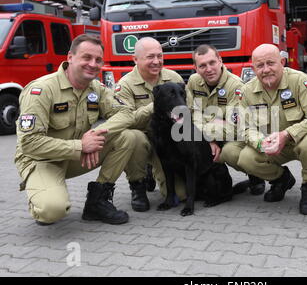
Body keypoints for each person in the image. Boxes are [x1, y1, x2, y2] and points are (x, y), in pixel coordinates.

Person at [15, 34, 143, 226]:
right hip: (41, 159)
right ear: (70, 57)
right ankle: (42, 191)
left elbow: (126, 113)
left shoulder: (95, 88)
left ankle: (97, 201)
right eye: (86, 58)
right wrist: (80, 146)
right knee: (51, 211)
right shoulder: (41, 90)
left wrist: (97, 133)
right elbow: (29, 143)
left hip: (77, 155)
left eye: (98, 60)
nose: (93, 64)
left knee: (130, 137)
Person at [236, 44, 307, 215]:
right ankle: (281, 180)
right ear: (253, 68)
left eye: (271, 63)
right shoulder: (246, 91)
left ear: (282, 62)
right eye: (260, 65)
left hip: (301, 140)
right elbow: (245, 127)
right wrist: (260, 142)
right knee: (246, 158)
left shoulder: (301, 81)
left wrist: (287, 134)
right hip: (273, 145)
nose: (266, 70)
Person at [115, 37, 184, 211]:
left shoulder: (173, 77)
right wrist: (155, 106)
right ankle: (137, 184)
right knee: (133, 138)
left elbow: (187, 109)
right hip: (143, 139)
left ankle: (153, 170)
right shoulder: (125, 85)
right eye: (150, 57)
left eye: (159, 56)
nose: (156, 61)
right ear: (135, 59)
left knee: (181, 195)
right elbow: (126, 120)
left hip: (167, 141)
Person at [187, 44, 265, 196]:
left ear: (220, 61)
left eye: (212, 63)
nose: (208, 69)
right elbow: (193, 114)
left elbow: (234, 126)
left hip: (235, 134)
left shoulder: (236, 86)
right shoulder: (193, 82)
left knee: (231, 153)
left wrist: (205, 127)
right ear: (195, 67)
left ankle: (256, 176)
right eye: (202, 65)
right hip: (210, 132)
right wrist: (209, 138)